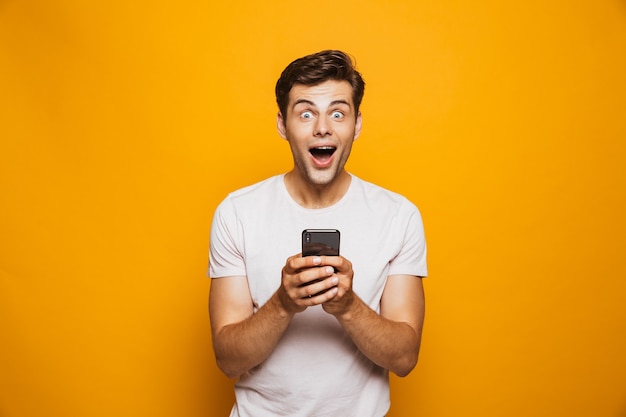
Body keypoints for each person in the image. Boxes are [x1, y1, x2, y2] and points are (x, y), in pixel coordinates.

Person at [208, 50, 427, 417]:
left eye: (338, 113)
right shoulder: (237, 213)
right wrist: (283, 303)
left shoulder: (399, 216)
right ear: (283, 125)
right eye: (306, 113)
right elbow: (228, 360)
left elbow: (404, 358)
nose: (322, 127)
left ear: (356, 124)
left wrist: (348, 307)